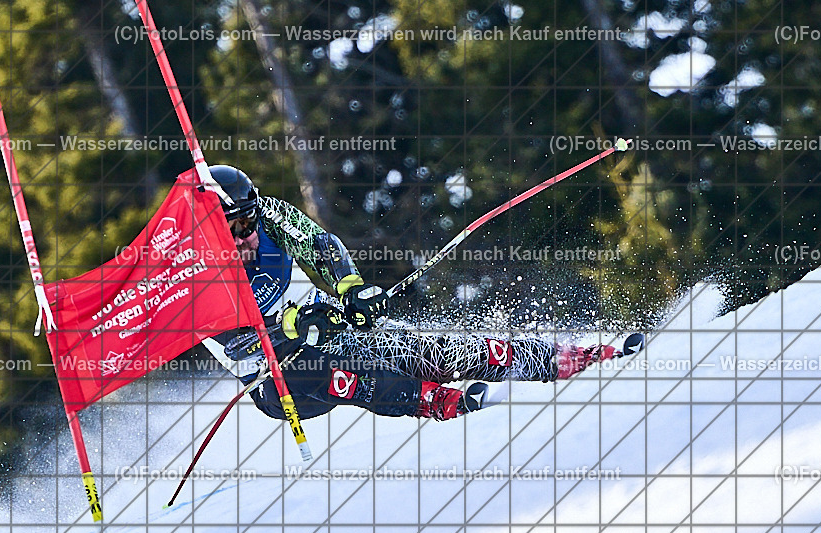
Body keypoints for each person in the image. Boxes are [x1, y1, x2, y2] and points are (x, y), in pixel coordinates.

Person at [201, 165, 616, 422]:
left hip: (325, 329)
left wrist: (351, 289)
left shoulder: (266, 216)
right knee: (330, 369)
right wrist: (293, 324)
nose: (248, 234)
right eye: (235, 229)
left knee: (410, 348)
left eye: (249, 221)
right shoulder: (196, 279)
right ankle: (433, 401)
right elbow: (238, 345)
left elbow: (320, 245)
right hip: (277, 382)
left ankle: (549, 358)